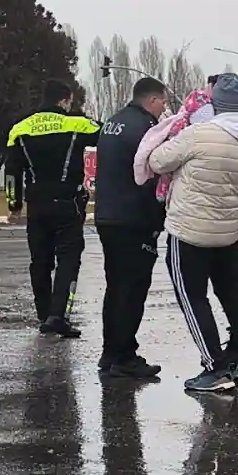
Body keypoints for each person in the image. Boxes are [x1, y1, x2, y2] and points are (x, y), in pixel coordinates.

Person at [150, 73, 238, 393]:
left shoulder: (197, 134)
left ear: (215, 103)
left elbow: (157, 161)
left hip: (188, 232)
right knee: (231, 290)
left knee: (192, 297)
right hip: (228, 235)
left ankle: (215, 367)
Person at [5, 79, 100, 339]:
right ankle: (59, 315)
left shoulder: (20, 128)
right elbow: (107, 134)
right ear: (65, 100)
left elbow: (12, 172)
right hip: (67, 202)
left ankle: (44, 315)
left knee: (40, 261)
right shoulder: (77, 123)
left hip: (36, 205)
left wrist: (13, 204)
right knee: (68, 259)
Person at [94, 77, 170, 380]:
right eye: (163, 102)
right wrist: (156, 220)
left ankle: (110, 352)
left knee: (115, 287)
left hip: (107, 216)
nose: (164, 108)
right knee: (132, 289)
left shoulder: (113, 123)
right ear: (151, 101)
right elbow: (150, 178)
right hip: (133, 219)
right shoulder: (147, 132)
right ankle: (125, 356)